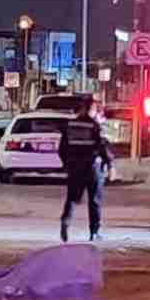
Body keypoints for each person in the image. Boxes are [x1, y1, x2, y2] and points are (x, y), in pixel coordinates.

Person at [57, 100, 113, 242]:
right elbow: (102, 147)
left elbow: (62, 149)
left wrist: (67, 164)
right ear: (92, 109)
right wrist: (110, 164)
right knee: (94, 200)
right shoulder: (93, 126)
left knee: (72, 198)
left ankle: (66, 221)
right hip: (92, 168)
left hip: (75, 168)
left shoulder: (70, 126)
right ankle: (94, 232)